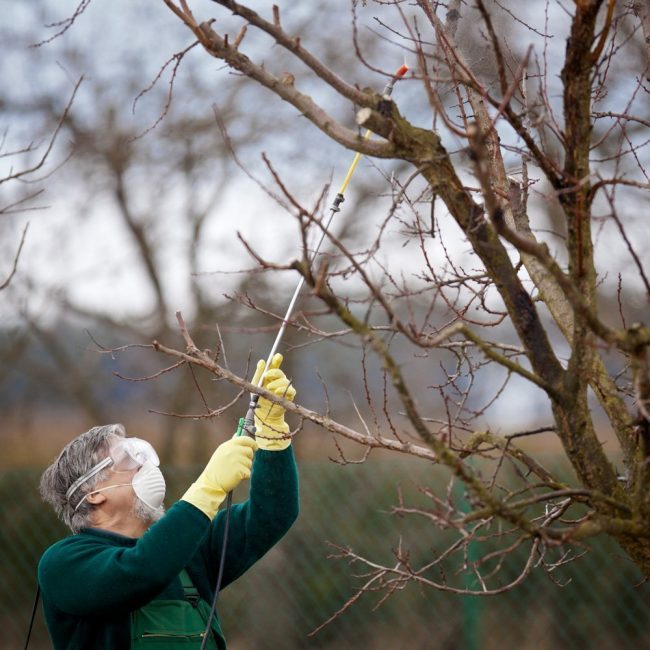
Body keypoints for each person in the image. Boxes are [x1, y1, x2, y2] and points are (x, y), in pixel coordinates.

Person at [38, 354, 298, 649]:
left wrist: (272, 432)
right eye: (127, 459)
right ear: (93, 493)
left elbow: (272, 514)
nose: (145, 465)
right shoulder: (64, 563)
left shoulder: (191, 551)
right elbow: (139, 572)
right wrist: (208, 487)